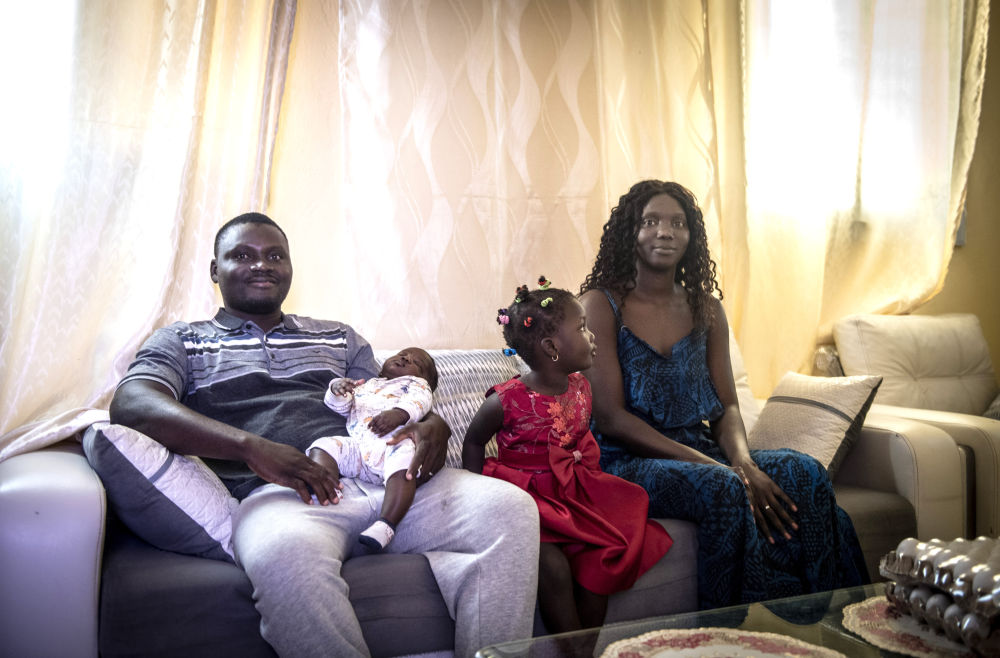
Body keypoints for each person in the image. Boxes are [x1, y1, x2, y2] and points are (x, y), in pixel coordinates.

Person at [107, 212, 539, 657]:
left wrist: (432, 423)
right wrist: (250, 447)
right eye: (243, 256)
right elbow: (133, 403)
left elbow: (386, 397)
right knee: (284, 557)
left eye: (275, 256)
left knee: (509, 510)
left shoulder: (339, 337)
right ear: (216, 270)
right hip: (284, 496)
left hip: (382, 476)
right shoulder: (183, 341)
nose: (262, 265)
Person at [579, 180, 868, 610]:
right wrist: (724, 470)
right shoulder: (599, 305)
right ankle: (732, 626)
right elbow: (611, 418)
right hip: (625, 462)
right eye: (650, 222)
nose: (665, 232)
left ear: (691, 236)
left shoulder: (706, 308)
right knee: (723, 486)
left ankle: (828, 613)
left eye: (678, 223)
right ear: (630, 232)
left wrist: (744, 463)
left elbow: (727, 407)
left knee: (805, 472)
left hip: (702, 450)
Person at [463, 279, 672, 634]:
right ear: (552, 347)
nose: (592, 336)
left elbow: (578, 439)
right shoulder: (505, 400)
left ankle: (583, 647)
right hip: (527, 501)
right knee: (554, 568)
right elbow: (473, 442)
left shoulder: (581, 387)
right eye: (582, 328)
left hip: (572, 494)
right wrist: (477, 496)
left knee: (604, 555)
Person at [308, 347, 439, 551]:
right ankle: (325, 490)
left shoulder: (414, 384)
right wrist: (337, 390)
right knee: (324, 446)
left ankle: (386, 524)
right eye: (402, 354)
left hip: (392, 444)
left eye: (416, 363)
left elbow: (420, 401)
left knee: (406, 462)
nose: (406, 358)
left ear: (425, 379)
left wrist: (399, 414)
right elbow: (341, 408)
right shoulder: (367, 386)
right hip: (360, 448)